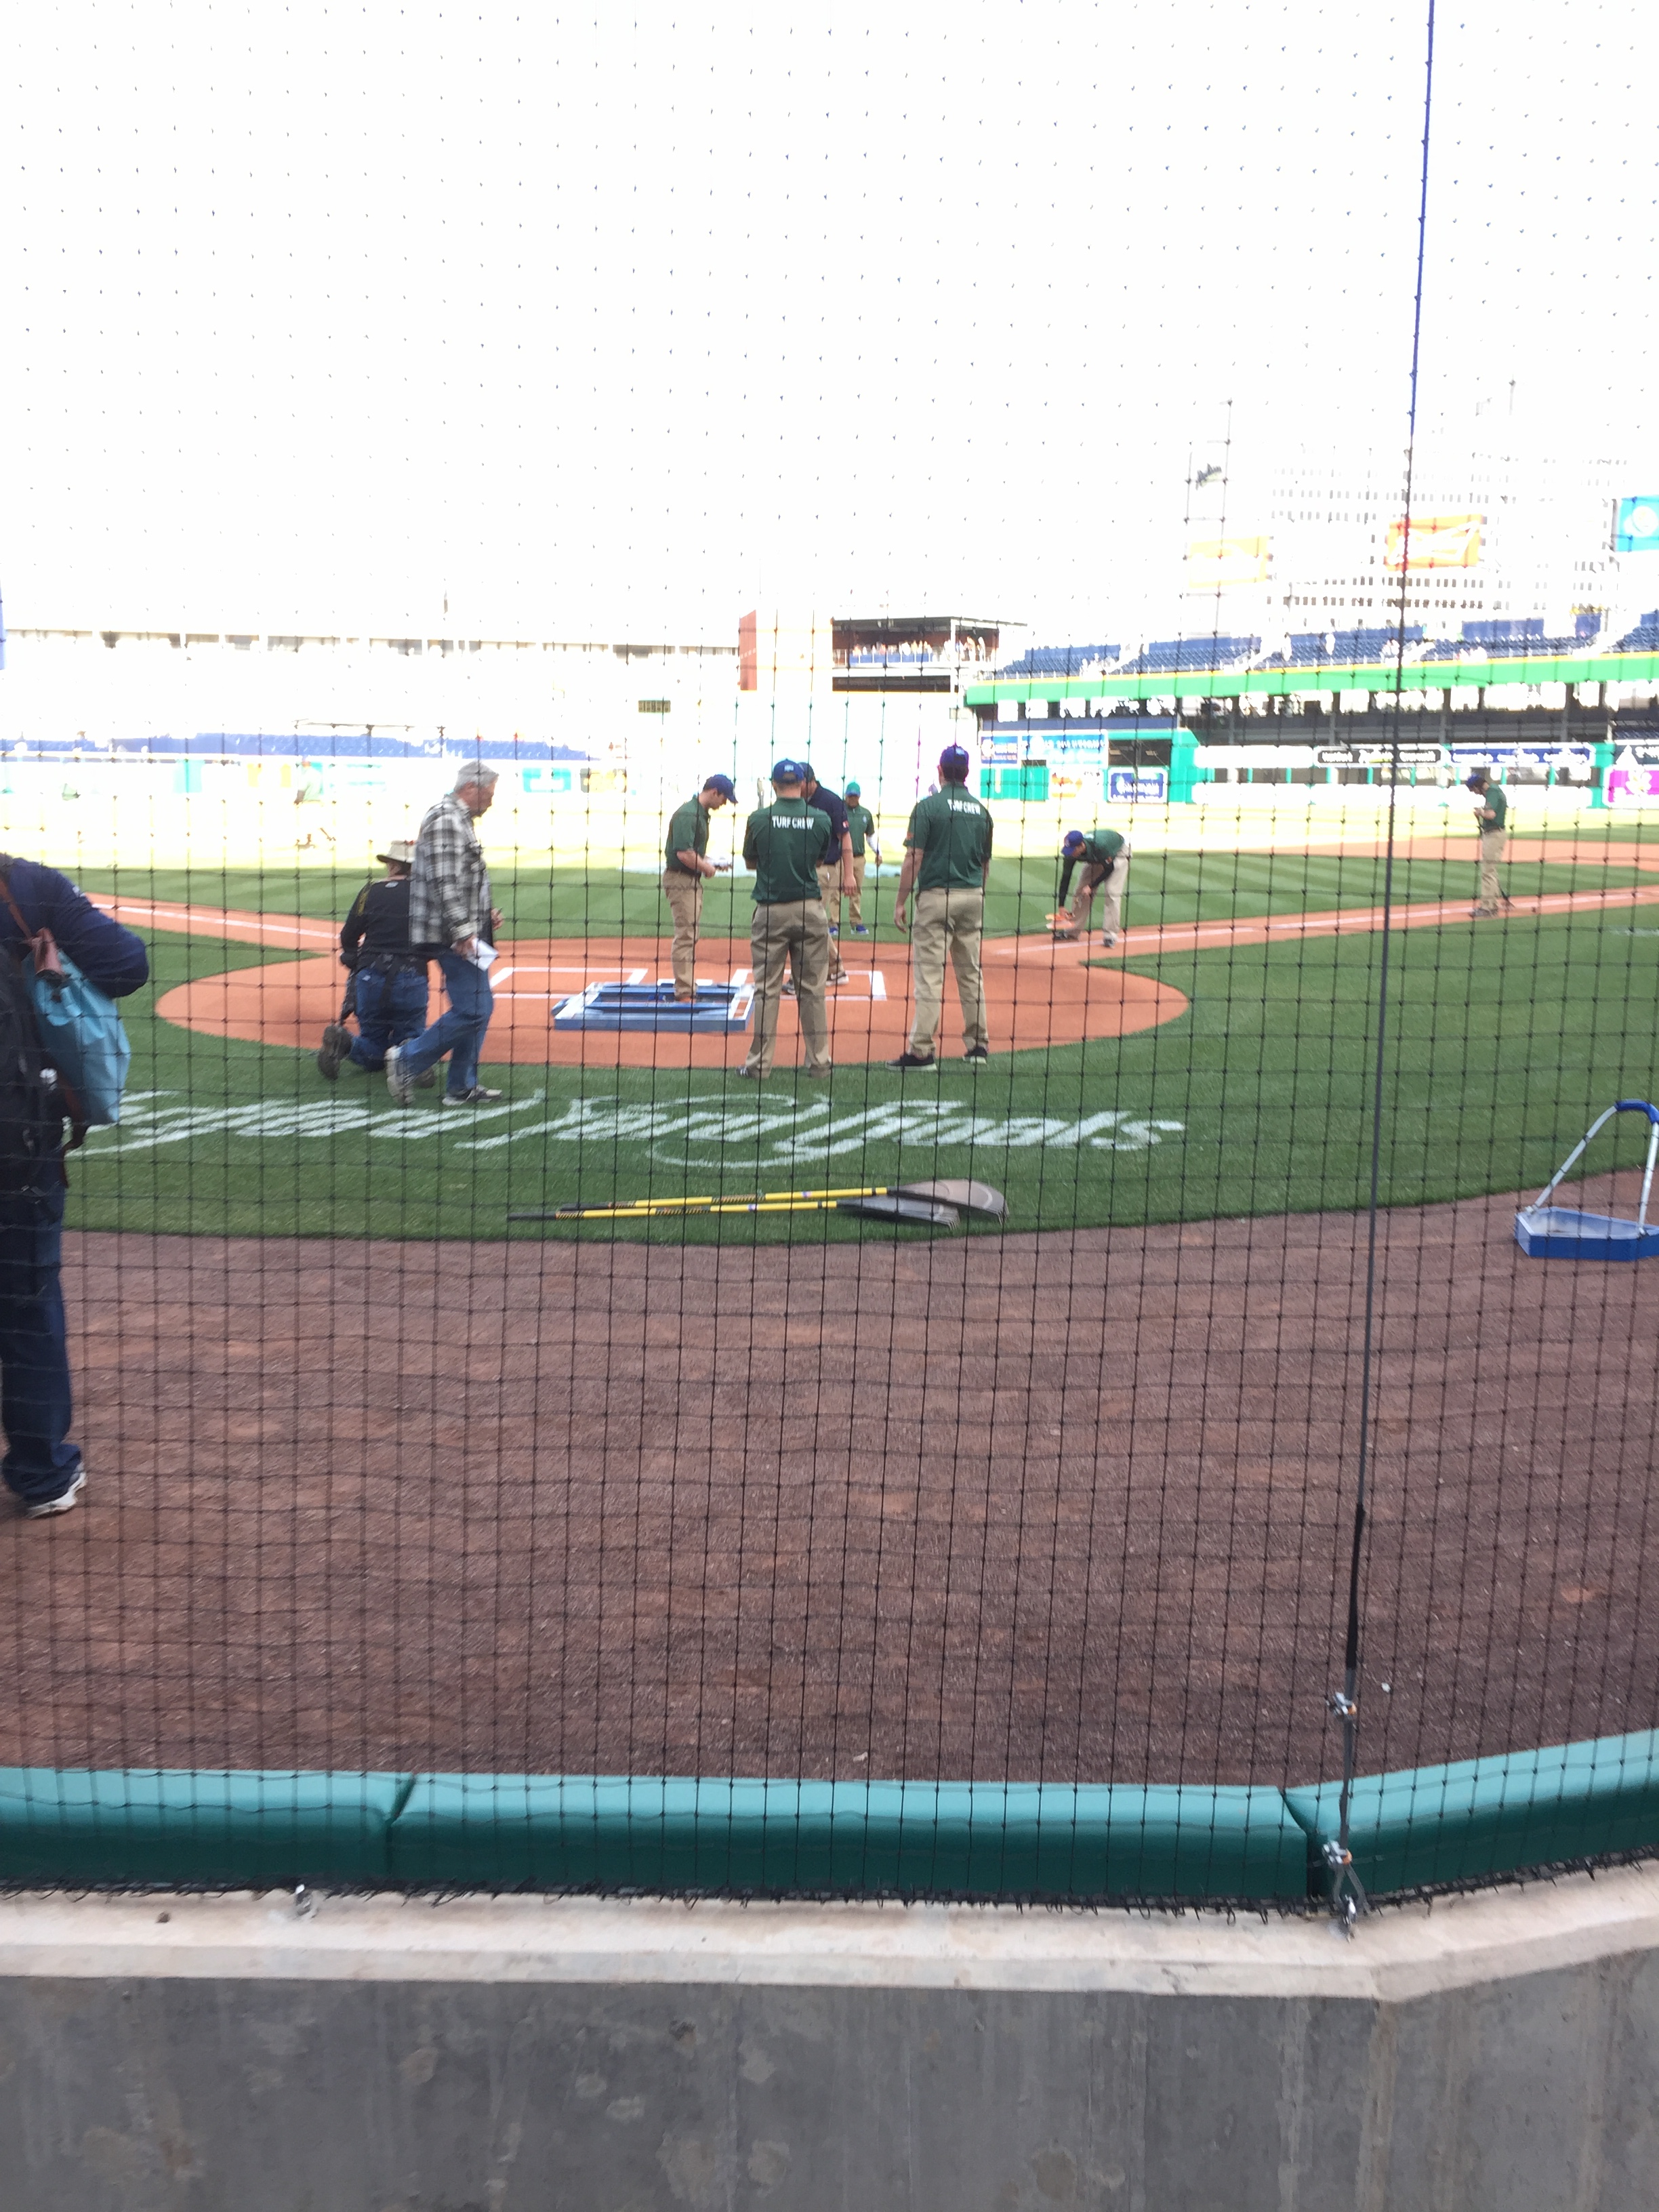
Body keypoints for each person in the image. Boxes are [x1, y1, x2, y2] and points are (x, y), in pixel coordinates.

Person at [0, 857, 148, 1516]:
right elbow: (126, 966)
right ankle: (41, 1474)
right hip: (13, 1149)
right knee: (25, 1305)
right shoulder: (24, 886)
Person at [386, 764, 506, 1107]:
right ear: (471, 786)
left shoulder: (458, 819)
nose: (492, 801)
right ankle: (407, 1059)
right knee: (473, 1009)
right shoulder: (446, 819)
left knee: (480, 1008)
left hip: (465, 930)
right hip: (451, 935)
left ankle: (461, 1087)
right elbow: (444, 881)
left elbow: (461, 879)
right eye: (490, 793)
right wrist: (464, 929)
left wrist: (484, 913)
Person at [888, 743, 994, 1071]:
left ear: (939, 771)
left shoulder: (928, 807)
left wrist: (900, 901)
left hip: (936, 898)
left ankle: (922, 1051)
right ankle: (978, 1046)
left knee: (930, 977)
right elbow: (985, 864)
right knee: (971, 974)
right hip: (973, 896)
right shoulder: (982, 811)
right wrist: (979, 895)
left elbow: (913, 857)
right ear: (967, 774)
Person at [738, 760, 834, 1081]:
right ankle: (819, 1063)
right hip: (810, 908)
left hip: (771, 910)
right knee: (813, 991)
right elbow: (819, 860)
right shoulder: (820, 818)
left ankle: (759, 1066)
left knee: (767, 991)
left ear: (774, 783)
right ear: (804, 783)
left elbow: (751, 861)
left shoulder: (759, 819)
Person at [317, 841, 435, 1082]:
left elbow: (348, 937)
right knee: (410, 1033)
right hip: (410, 977)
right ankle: (413, 1060)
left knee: (373, 1043)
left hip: (370, 977)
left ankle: (346, 1043)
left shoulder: (369, 891)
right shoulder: (426, 894)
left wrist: (353, 957)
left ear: (392, 866)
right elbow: (437, 941)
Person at [661, 775, 737, 1000]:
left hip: (688, 880)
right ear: (714, 792)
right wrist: (707, 868)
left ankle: (686, 985)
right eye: (724, 798)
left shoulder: (699, 813)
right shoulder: (688, 814)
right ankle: (684, 990)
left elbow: (692, 851)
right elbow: (684, 854)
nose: (724, 803)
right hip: (681, 880)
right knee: (686, 935)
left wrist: (712, 862)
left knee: (690, 933)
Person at [798, 764, 857, 979]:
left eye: (799, 783)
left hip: (826, 870)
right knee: (814, 919)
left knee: (808, 919)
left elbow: (846, 837)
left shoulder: (831, 801)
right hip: (804, 870)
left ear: (809, 781)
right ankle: (835, 967)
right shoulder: (798, 800)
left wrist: (849, 874)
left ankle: (810, 973)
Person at [1050, 827, 1130, 947]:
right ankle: (1072, 932)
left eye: (1073, 850)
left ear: (1081, 845)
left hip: (1118, 852)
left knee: (1112, 893)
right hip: (1097, 857)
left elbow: (1109, 869)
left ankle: (1110, 936)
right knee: (1080, 891)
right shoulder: (1071, 854)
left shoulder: (1101, 845)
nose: (1071, 853)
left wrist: (1092, 886)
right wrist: (1061, 906)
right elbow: (1065, 878)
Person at [1468, 769, 1509, 918]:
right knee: (1492, 871)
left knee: (1487, 872)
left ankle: (1488, 908)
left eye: (1474, 790)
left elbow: (1491, 815)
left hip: (1493, 835)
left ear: (1478, 786)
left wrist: (1480, 813)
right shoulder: (1496, 790)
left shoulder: (1491, 792)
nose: (1475, 793)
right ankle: (1493, 905)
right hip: (1498, 833)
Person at [843, 781, 882, 936]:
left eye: (855, 796)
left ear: (859, 797)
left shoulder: (865, 814)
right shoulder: (839, 811)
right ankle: (833, 924)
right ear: (846, 796)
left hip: (859, 857)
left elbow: (870, 836)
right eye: (850, 796)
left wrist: (878, 852)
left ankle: (856, 923)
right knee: (835, 891)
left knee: (856, 891)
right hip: (841, 858)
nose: (852, 799)